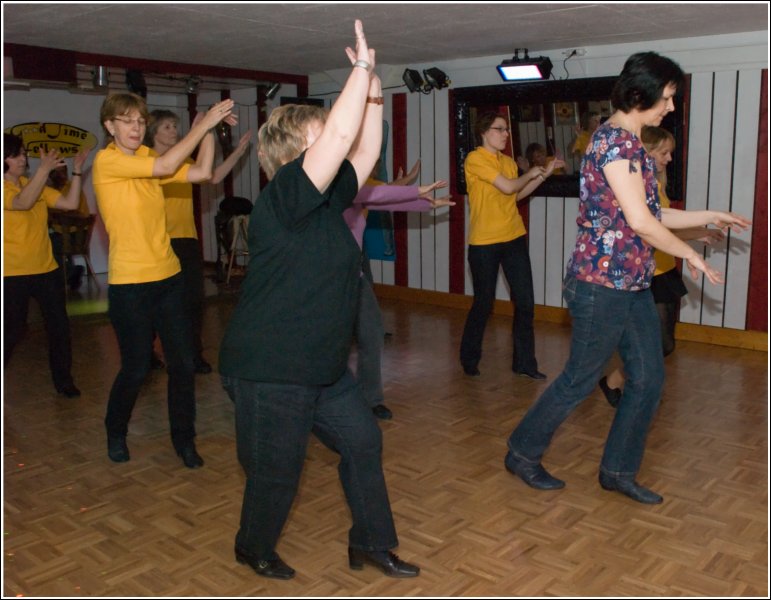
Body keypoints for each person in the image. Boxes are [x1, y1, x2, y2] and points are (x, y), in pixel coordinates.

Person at [219, 20, 419, 581]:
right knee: (276, 471)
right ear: (299, 148)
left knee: (363, 442)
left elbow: (366, 147)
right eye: (324, 130)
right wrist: (359, 70)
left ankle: (371, 542)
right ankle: (251, 545)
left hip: (322, 366)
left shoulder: (329, 200)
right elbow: (341, 137)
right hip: (269, 368)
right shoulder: (284, 194)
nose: (336, 134)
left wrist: (374, 88)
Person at [503, 52, 751, 505]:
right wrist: (689, 254)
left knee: (649, 379)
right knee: (579, 380)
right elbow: (640, 222)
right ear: (641, 94)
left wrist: (708, 215)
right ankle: (522, 452)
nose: (670, 107)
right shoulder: (614, 143)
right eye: (667, 98)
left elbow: (652, 213)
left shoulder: (631, 144)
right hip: (600, 286)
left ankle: (617, 471)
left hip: (631, 283)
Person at [92, 92, 236, 468]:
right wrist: (203, 125)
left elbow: (201, 173)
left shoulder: (147, 156)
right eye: (127, 121)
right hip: (131, 285)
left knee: (183, 364)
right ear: (110, 126)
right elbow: (166, 165)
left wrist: (207, 132)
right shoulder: (107, 161)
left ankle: (184, 440)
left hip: (169, 277)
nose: (136, 127)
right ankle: (115, 430)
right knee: (137, 368)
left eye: (140, 121)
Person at [599, 126, 726, 406]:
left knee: (663, 345)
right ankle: (622, 386)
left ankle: (616, 383)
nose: (669, 159)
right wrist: (701, 228)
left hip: (664, 270)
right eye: (664, 153)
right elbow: (649, 228)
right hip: (646, 273)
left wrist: (699, 233)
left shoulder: (657, 185)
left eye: (670, 153)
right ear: (646, 152)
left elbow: (665, 228)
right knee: (657, 344)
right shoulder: (637, 187)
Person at [144, 109, 251, 375]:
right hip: (158, 241)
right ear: (153, 132)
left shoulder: (183, 160)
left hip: (186, 240)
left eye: (175, 126)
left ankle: (194, 355)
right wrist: (200, 130)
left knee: (194, 300)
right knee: (157, 302)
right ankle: (146, 353)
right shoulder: (148, 161)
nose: (173, 131)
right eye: (167, 127)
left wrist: (238, 152)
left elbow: (212, 176)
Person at [459, 111, 565, 378]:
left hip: (513, 237)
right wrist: (530, 173)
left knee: (525, 302)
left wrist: (543, 175)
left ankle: (525, 364)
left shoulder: (506, 161)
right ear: (484, 132)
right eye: (500, 129)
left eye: (506, 129)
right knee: (484, 303)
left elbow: (516, 195)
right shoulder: (474, 159)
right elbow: (507, 186)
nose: (506, 134)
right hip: (484, 242)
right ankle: (469, 358)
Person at [347, 178, 452, 420]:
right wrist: (418, 190)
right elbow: (376, 195)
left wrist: (426, 204)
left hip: (354, 278)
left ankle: (371, 399)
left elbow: (384, 200)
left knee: (372, 334)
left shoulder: (356, 190)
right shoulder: (337, 188)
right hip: (326, 281)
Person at [3, 133, 90, 398]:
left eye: (22, 153)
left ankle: (64, 382)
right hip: (12, 273)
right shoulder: (8, 189)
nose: (22, 159)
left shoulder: (33, 184)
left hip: (47, 270)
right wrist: (43, 170)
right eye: (16, 155)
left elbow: (70, 203)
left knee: (59, 327)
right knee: (13, 331)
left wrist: (76, 171)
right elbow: (23, 202)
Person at [47, 164, 90, 290]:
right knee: (41, 241)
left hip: (76, 234)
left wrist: (59, 213)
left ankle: (70, 273)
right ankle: (70, 274)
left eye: (63, 171)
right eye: (56, 172)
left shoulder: (72, 188)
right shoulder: (48, 190)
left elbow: (81, 215)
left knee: (51, 245)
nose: (60, 175)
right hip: (58, 232)